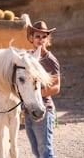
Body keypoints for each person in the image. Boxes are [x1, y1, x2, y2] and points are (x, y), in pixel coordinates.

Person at [24, 21, 61, 158]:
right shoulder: (27, 57)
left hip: (44, 110)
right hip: (29, 110)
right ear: (31, 38)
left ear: (47, 39)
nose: (41, 40)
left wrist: (35, 95)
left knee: (45, 150)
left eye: (44, 37)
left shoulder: (50, 60)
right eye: (38, 36)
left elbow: (56, 87)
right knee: (36, 151)